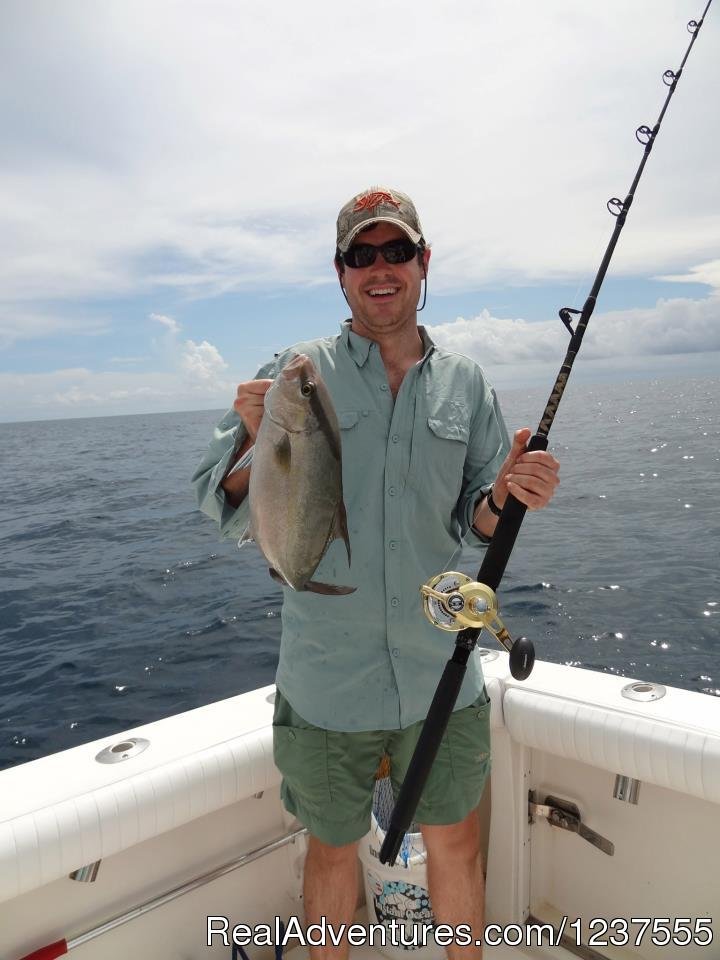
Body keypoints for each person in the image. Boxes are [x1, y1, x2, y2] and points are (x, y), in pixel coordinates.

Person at [192, 186, 560, 960]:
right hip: (328, 673)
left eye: (397, 251)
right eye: (363, 255)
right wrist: (251, 442)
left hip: (440, 670)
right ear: (341, 272)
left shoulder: (465, 383)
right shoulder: (295, 373)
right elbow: (216, 500)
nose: (380, 268)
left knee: (455, 844)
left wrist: (507, 493)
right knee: (330, 853)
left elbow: (478, 520)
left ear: (425, 263)